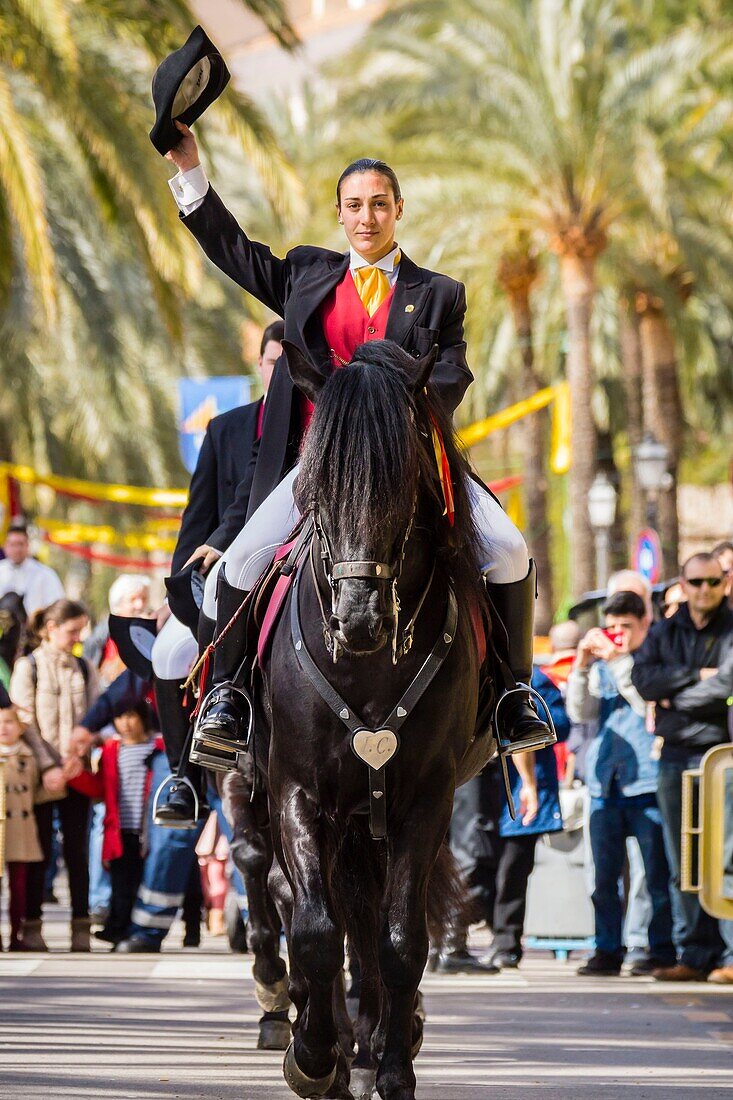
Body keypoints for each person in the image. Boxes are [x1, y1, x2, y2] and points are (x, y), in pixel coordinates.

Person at [164, 124, 553, 764]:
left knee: (509, 549)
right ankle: (229, 698)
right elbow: (233, 249)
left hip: (413, 461)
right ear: (340, 213)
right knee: (237, 566)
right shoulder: (305, 278)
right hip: (322, 465)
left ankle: (513, 694)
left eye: (378, 204)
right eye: (353, 205)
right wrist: (191, 171)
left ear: (398, 210)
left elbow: (451, 377)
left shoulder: (440, 295)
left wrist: (383, 410)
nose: (366, 217)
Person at [150, 319, 284, 824]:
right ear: (261, 364)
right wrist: (182, 588)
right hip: (222, 578)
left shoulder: (318, 424)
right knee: (167, 652)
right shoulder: (224, 429)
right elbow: (198, 517)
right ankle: (181, 777)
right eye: (275, 363)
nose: (283, 373)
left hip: (292, 571)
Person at [632, 552, 733, 981]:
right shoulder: (664, 631)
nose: (704, 590)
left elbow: (728, 684)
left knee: (726, 857)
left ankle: (729, 956)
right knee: (683, 860)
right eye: (696, 582)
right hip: (673, 756)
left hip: (722, 756)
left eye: (712, 582)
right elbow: (644, 679)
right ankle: (693, 954)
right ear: (685, 584)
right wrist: (698, 677)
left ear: (723, 584)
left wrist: (674, 698)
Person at [567, 592, 674, 976]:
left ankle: (659, 950)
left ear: (646, 623)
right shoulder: (601, 665)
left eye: (625, 627)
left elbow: (644, 700)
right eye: (611, 627)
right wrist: (581, 667)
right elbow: (580, 714)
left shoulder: (650, 661)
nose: (617, 635)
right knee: (603, 879)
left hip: (646, 781)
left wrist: (619, 661)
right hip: (604, 783)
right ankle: (607, 949)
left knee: (656, 877)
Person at [10, 599, 98, 951]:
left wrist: (78, 757)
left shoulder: (85, 667)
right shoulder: (27, 667)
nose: (77, 638)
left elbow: (95, 715)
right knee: (39, 852)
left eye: (80, 631)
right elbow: (24, 722)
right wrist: (49, 766)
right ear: (51, 628)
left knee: (78, 851)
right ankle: (32, 927)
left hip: (76, 772)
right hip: (41, 775)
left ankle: (81, 928)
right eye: (71, 631)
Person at [483, 622, 573, 968]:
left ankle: (506, 941)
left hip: (521, 796)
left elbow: (558, 726)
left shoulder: (539, 682)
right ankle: (495, 935)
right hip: (488, 791)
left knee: (513, 872)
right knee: (482, 869)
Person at [69, 700, 161, 946]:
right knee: (121, 883)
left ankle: (139, 929)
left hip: (149, 830)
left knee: (144, 882)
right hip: (120, 831)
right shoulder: (111, 750)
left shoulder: (158, 746)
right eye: (120, 718)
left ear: (143, 717)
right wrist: (76, 775)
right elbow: (99, 787)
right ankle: (117, 928)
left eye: (131, 716)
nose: (126, 724)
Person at [0, 706, 44, 950]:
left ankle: (17, 934)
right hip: (0, 830)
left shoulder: (29, 756)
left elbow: (39, 790)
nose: (3, 727)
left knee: (19, 888)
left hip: (22, 830)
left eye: (9, 722)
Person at [0, 524, 64, 618]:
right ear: (5, 546)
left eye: (20, 544)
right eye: (12, 544)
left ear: (27, 545)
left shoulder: (45, 574)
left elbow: (58, 608)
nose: (17, 549)